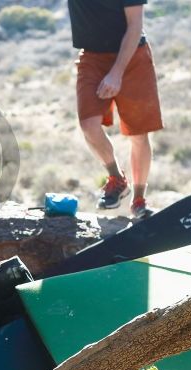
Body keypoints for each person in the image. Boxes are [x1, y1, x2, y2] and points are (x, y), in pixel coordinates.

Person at [68, 0, 164, 219]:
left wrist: (117, 72)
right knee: (88, 126)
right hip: (92, 57)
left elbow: (135, 26)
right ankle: (116, 178)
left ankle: (139, 200)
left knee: (138, 134)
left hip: (132, 56)